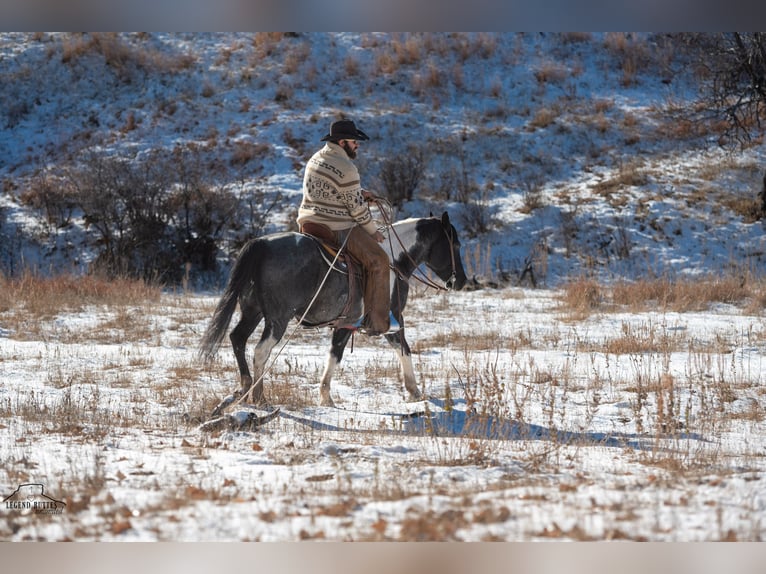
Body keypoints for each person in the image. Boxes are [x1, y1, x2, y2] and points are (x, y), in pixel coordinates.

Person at [297, 118, 399, 335]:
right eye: (354, 141)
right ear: (342, 142)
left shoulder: (316, 158)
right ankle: (378, 324)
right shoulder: (347, 167)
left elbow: (332, 190)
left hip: (308, 221)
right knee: (379, 260)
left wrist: (360, 194)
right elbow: (357, 211)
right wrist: (374, 232)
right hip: (336, 226)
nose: (357, 145)